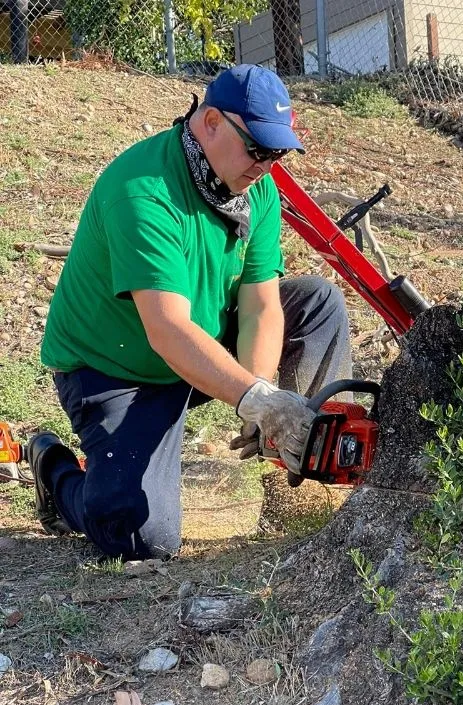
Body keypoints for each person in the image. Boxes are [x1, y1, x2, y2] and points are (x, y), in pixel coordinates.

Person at [30, 63, 351, 559]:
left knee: (316, 303)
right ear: (211, 123)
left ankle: (300, 480)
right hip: (116, 371)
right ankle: (55, 470)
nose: (267, 164)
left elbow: (261, 304)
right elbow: (168, 330)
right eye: (259, 149)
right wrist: (255, 399)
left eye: (278, 152)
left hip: (200, 338)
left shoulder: (258, 188)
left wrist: (260, 391)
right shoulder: (143, 192)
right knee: (139, 536)